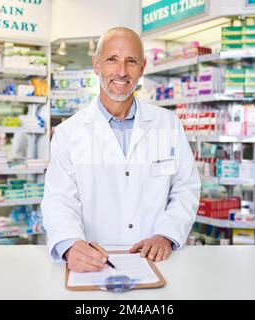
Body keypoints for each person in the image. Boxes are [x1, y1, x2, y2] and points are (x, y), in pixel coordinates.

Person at [41, 27, 201, 273]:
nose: (122, 71)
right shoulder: (69, 133)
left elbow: (185, 188)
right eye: (111, 60)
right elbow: (59, 200)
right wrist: (71, 245)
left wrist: (167, 234)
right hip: (95, 262)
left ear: (143, 67)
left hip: (157, 260)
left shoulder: (167, 124)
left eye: (131, 61)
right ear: (96, 65)